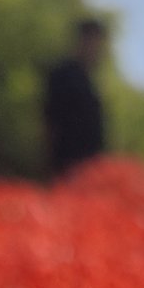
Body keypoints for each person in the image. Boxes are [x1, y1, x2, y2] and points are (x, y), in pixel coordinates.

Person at [42, 19, 110, 180]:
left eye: (98, 43)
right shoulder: (63, 74)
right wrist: (48, 164)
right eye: (92, 41)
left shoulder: (90, 81)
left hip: (92, 169)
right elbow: (50, 121)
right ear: (81, 41)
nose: (96, 49)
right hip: (68, 165)